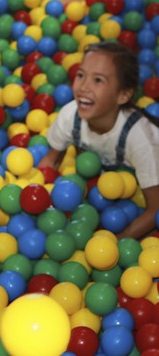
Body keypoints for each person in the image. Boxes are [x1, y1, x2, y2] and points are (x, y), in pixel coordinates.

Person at [39, 41, 159, 239]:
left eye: (98, 80)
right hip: (101, 189)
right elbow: (50, 162)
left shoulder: (140, 139)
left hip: (135, 192)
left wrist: (114, 241)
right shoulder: (70, 116)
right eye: (80, 75)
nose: (84, 87)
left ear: (122, 95)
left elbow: (155, 209)